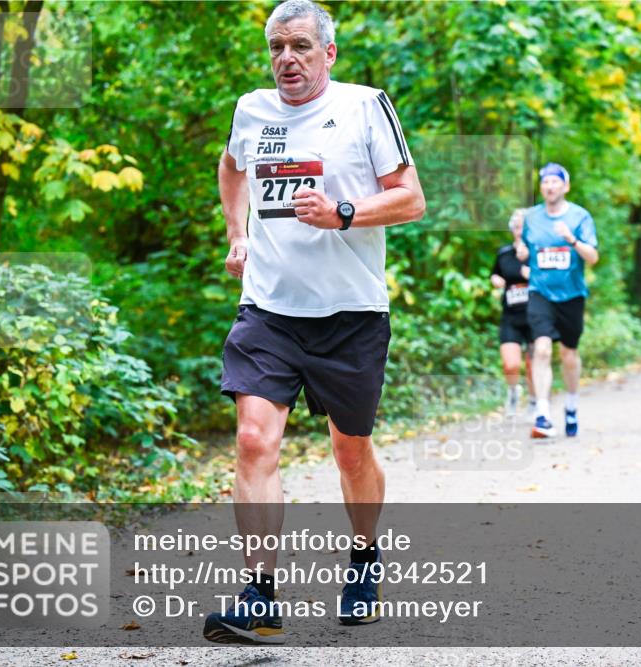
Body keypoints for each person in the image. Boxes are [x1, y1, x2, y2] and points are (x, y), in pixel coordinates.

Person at [208, 0, 425, 643]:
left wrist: (344, 213)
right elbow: (231, 167)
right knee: (253, 439)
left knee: (349, 449)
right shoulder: (252, 110)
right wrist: (236, 232)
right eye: (277, 47)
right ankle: (259, 595)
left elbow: (411, 198)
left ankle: (363, 556)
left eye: (300, 46)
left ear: (328, 53)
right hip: (269, 308)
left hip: (350, 315)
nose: (286, 60)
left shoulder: (365, 106)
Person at [517, 163, 598, 438]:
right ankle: (543, 415)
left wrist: (571, 239)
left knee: (569, 354)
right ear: (541, 187)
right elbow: (525, 251)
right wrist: (519, 246)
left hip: (572, 295)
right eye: (545, 182)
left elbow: (593, 257)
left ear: (566, 186)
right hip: (540, 292)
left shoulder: (580, 217)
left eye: (555, 181)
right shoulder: (531, 217)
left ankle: (572, 405)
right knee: (540, 350)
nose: (550, 186)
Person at [491, 208, 536, 417]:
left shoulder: (538, 253)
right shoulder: (504, 254)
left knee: (533, 364)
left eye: (526, 228)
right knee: (511, 364)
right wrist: (496, 281)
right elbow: (495, 274)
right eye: (518, 227)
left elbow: (553, 279)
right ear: (512, 229)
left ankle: (535, 401)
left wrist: (533, 275)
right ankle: (512, 392)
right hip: (511, 315)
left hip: (536, 316)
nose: (521, 231)